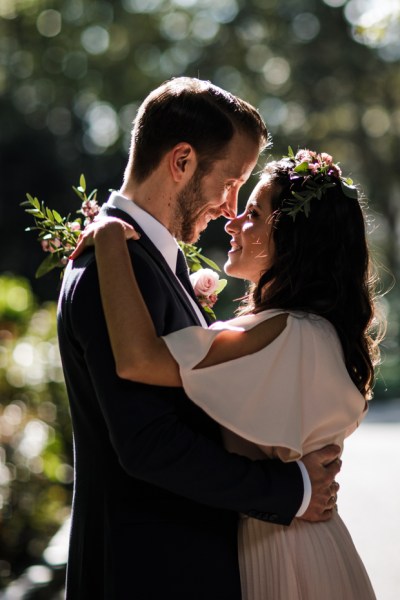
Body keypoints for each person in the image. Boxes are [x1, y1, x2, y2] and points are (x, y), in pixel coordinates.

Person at [59, 77, 340, 599]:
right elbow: (148, 445)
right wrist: (289, 489)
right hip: (150, 574)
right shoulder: (115, 266)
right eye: (232, 182)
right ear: (182, 161)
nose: (232, 208)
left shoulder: (140, 260)